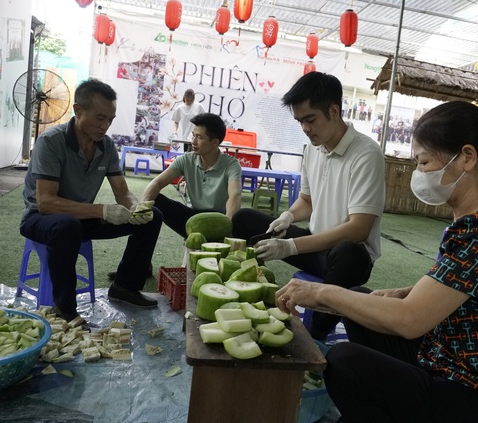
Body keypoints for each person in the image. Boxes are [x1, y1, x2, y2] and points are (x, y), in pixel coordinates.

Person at [275, 101, 478, 423]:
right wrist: (405, 291)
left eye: (424, 162)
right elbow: (466, 287)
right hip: (455, 357)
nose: (419, 174)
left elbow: (410, 320)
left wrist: (322, 293)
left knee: (345, 360)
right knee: (362, 300)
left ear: (467, 157)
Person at [232, 72, 386, 341]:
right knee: (244, 218)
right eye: (300, 121)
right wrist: (288, 216)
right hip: (315, 247)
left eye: (310, 119)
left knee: (348, 253)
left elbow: (359, 229)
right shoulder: (312, 149)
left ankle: (313, 337)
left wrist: (291, 246)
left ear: (334, 111)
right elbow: (307, 201)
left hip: (348, 258)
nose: (305, 127)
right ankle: (241, 294)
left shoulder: (366, 154)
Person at [20, 79, 163, 326]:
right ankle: (65, 310)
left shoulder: (106, 146)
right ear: (78, 111)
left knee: (153, 218)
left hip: (80, 218)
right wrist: (102, 211)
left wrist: (136, 208)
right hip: (41, 219)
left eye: (110, 119)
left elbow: (122, 191)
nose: (105, 125)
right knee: (66, 226)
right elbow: (46, 203)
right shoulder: (51, 142)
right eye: (99, 118)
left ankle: (125, 287)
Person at [110, 113, 241, 280]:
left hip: (220, 222)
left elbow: (235, 194)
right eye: (193, 135)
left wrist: (227, 227)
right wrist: (141, 209)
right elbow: (156, 183)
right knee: (154, 202)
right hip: (193, 219)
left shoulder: (231, 164)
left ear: (215, 142)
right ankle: (140, 265)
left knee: (244, 219)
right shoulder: (186, 160)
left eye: (199, 137)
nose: (193, 141)